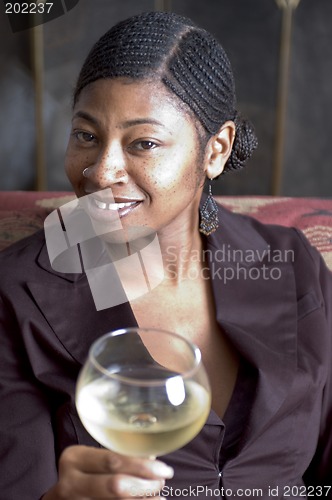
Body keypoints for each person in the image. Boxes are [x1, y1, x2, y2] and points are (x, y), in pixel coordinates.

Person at [0, 10, 331, 500]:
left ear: (215, 150)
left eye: (144, 143)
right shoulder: (18, 294)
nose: (100, 170)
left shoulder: (293, 264)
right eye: (86, 136)